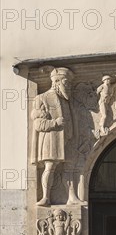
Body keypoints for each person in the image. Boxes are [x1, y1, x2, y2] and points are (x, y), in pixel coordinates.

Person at [31, 67, 80, 205]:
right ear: (56, 82)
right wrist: (54, 122)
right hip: (51, 139)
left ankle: (71, 197)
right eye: (66, 83)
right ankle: (46, 197)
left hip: (67, 138)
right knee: (49, 167)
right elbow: (38, 124)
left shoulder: (66, 100)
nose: (69, 86)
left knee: (69, 167)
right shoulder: (42, 98)